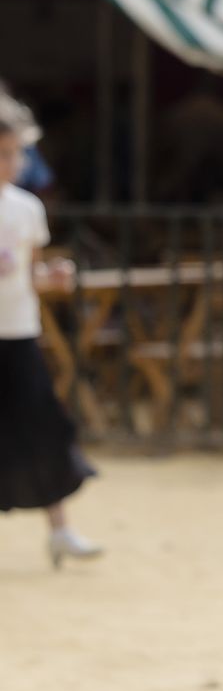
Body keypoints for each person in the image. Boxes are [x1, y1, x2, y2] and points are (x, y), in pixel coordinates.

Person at [0, 95, 101, 569]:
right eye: (3, 153)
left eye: (16, 152)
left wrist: (53, 278)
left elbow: (28, 276)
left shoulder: (25, 209)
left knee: (42, 429)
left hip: (19, 332)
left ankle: (60, 529)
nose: (12, 163)